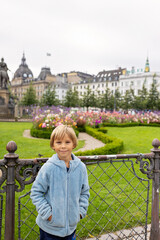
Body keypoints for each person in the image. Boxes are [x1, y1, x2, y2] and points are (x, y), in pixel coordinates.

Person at [30, 124, 90, 240]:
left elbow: (85, 192)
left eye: (67, 142)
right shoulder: (48, 168)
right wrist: (49, 215)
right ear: (53, 145)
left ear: (74, 144)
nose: (63, 146)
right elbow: (36, 192)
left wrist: (80, 212)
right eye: (58, 142)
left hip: (71, 228)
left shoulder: (80, 168)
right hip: (49, 229)